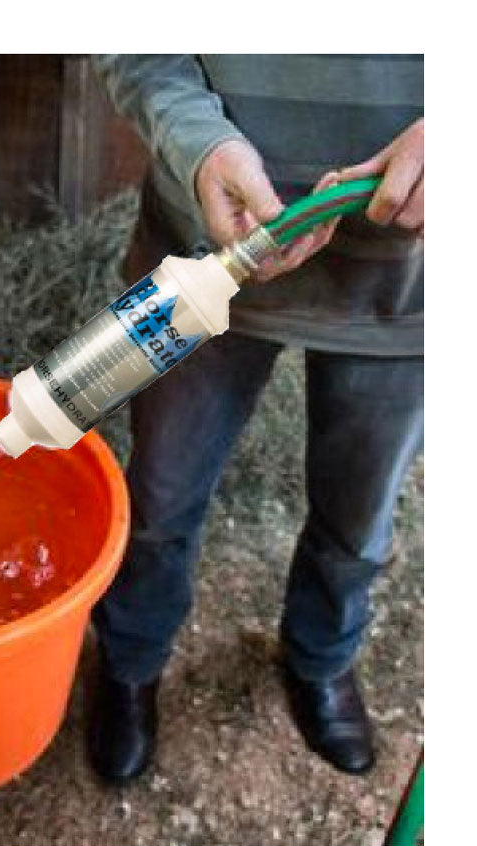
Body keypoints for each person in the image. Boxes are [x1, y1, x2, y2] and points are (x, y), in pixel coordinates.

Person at [87, 54, 424, 781]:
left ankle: (321, 657)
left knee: (359, 511)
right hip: (200, 247)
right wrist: (201, 145)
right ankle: (130, 658)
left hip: (408, 286)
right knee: (159, 493)